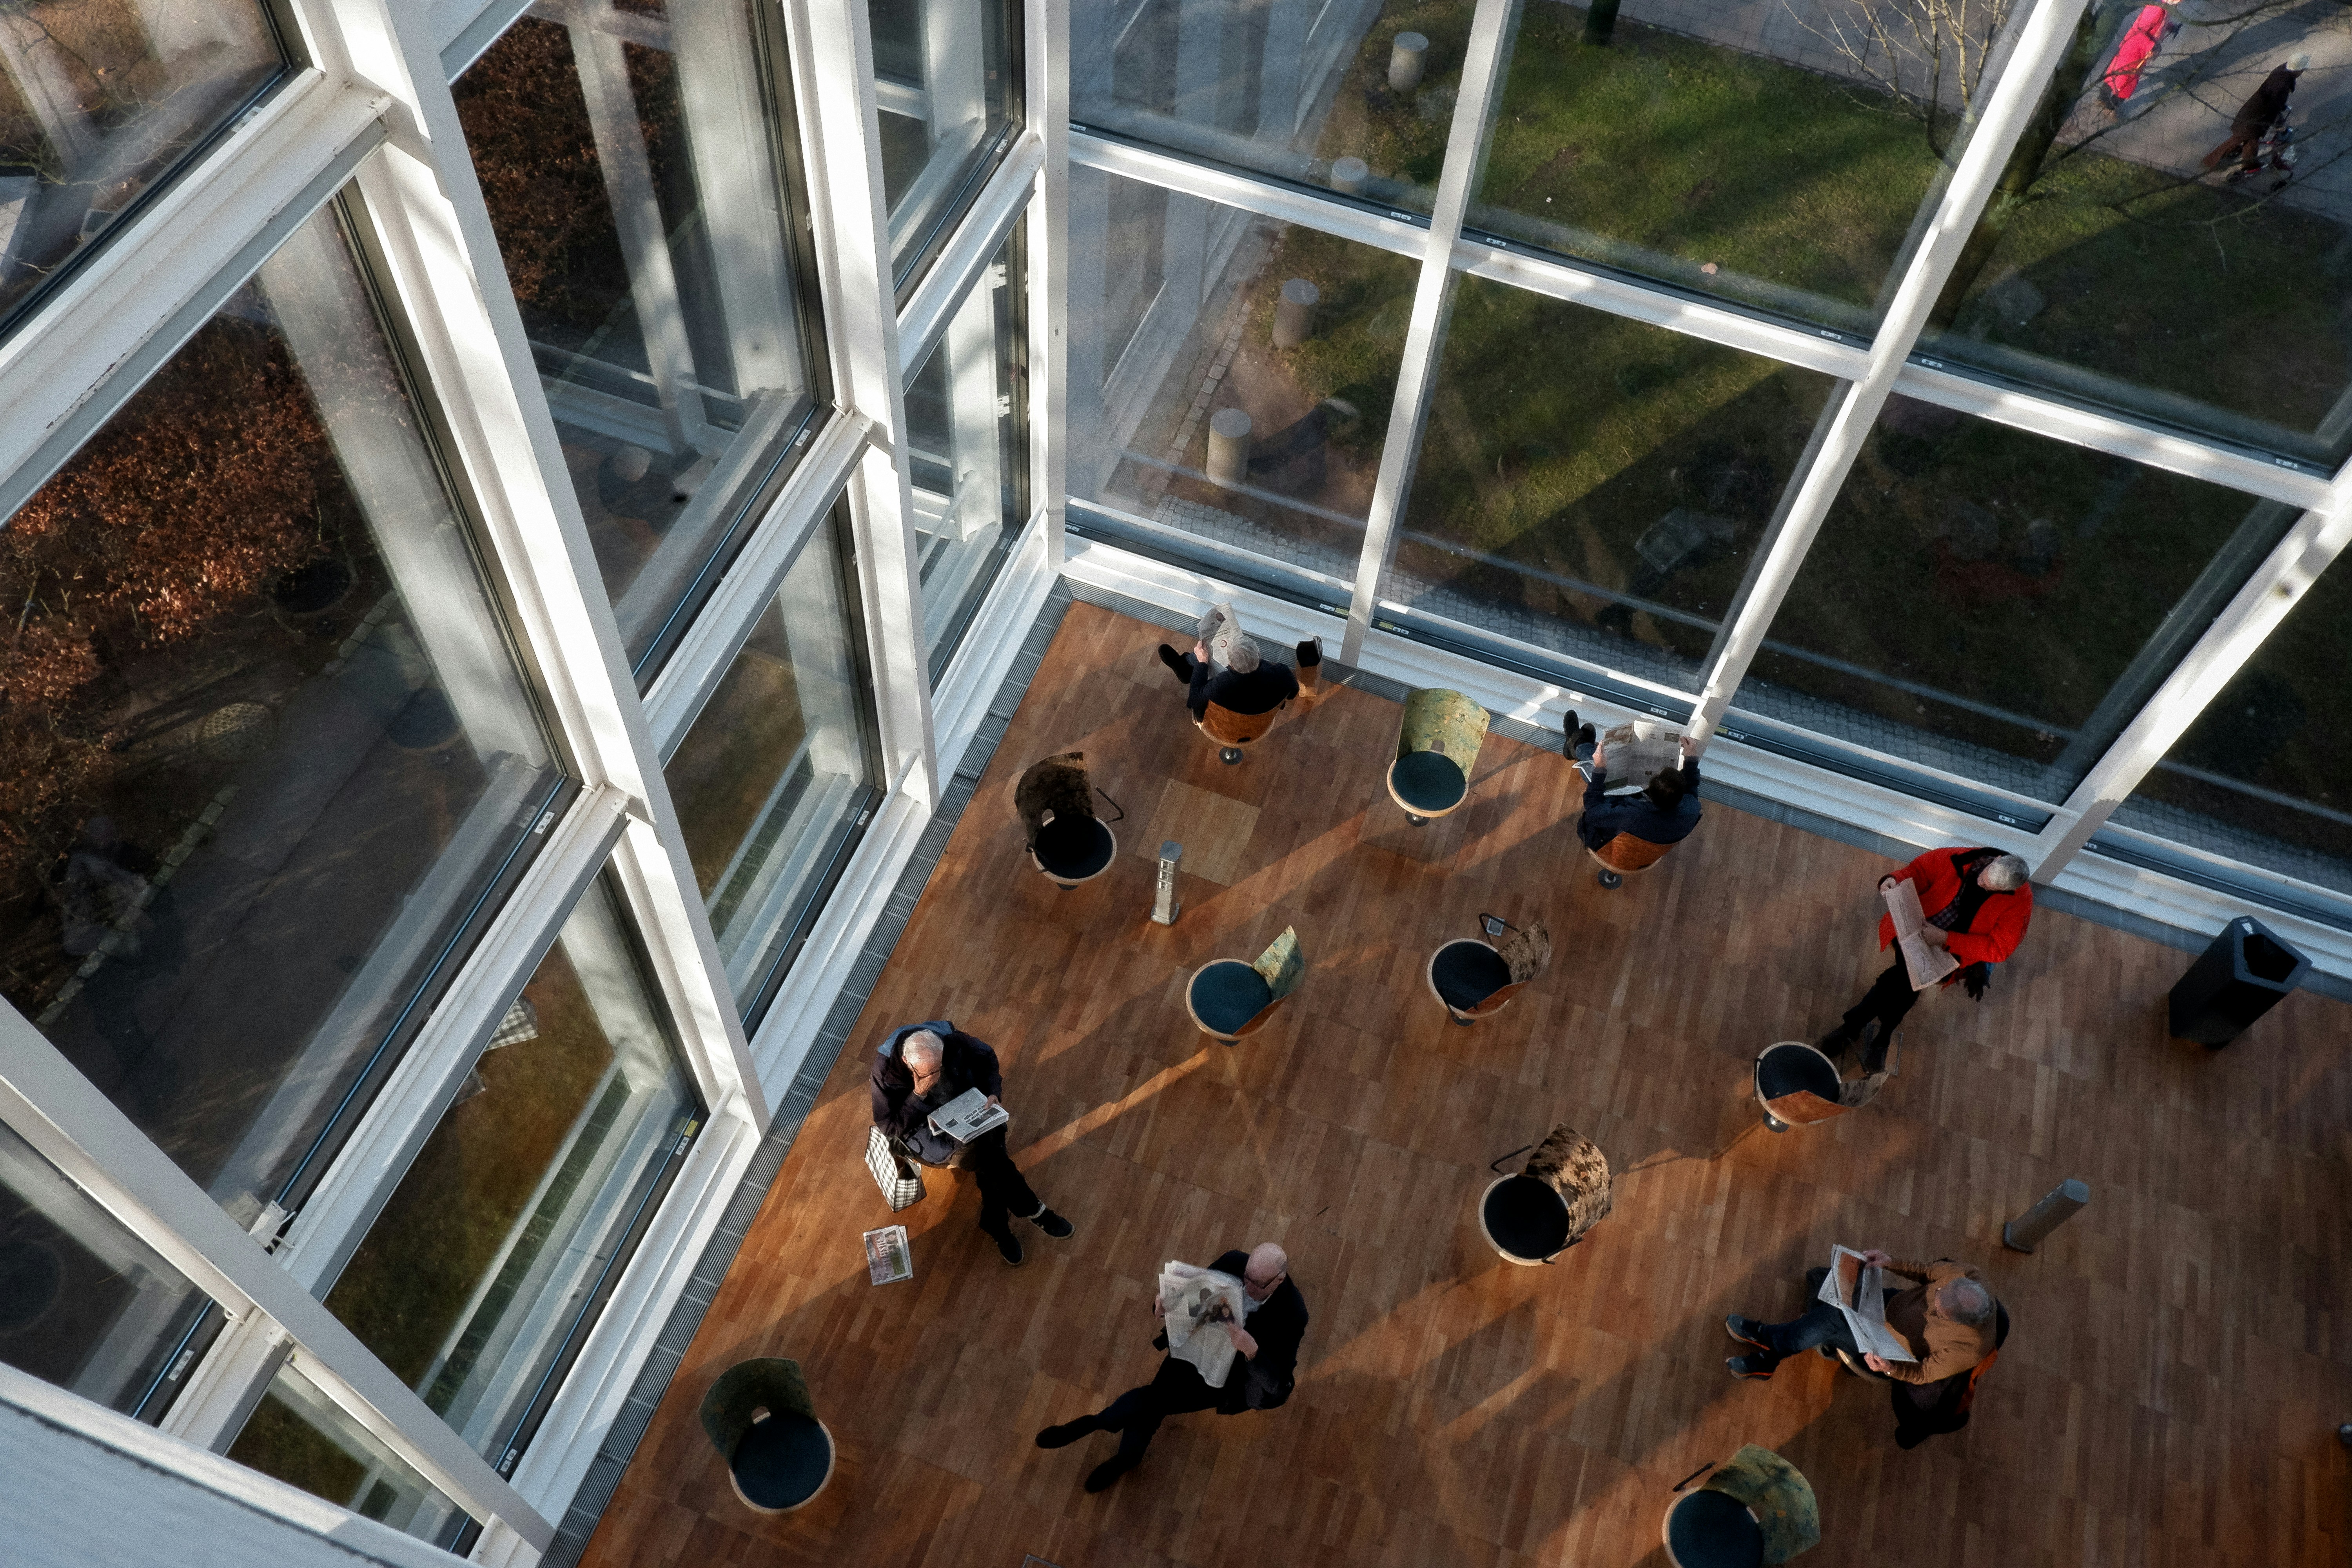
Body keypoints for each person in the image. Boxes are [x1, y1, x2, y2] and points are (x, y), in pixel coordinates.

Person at [1034, 1242, 1307, 1492]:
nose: (1247, 1287)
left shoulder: (1293, 1313)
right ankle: (1121, 1454)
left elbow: (1278, 1383)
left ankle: (1096, 1425)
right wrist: (1167, 1304)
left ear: (1279, 1280)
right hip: (1190, 1351)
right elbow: (1195, 1296)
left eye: (1258, 1284)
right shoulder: (1234, 1261)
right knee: (1155, 1404)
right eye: (1246, 1277)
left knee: (1154, 1401)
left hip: (1222, 1378)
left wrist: (1252, 1351)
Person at [869, 1022, 1072, 1267]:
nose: (937, 1078)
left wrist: (993, 1092)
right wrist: (918, 1096)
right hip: (927, 1133)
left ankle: (999, 1228)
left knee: (989, 1162)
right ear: (906, 1062)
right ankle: (1033, 1212)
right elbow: (891, 1127)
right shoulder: (884, 1074)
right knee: (990, 1156)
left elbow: (988, 1059)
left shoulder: (948, 1036)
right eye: (930, 1074)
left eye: (940, 1069)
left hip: (969, 1109)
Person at [1817, 848, 2033, 1071]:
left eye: (1989, 887)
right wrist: (1894, 879)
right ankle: (1882, 1035)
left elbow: (1998, 949)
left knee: (1901, 981)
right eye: (1984, 876)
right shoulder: (1962, 858)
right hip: (1916, 930)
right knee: (1908, 983)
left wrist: (1946, 938)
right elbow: (1920, 871)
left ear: (2011, 890)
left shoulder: (2020, 903)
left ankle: (1852, 1027)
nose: (1980, 884)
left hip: (1951, 951)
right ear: (1996, 860)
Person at [1725, 1249, 1999, 1388]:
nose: (1934, 1294)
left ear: (1954, 1320)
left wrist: (1890, 1368)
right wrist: (1890, 1262)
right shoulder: (1968, 1277)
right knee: (1819, 1278)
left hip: (1886, 1345)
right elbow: (1927, 1272)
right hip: (1887, 1303)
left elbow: (1925, 1374)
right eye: (1941, 1290)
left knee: (1831, 1317)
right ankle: (1808, 1337)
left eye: (1938, 1310)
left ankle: (1768, 1344)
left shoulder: (1970, 1349)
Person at [1566, 713, 1702, 885]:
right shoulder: (1692, 809)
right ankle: (1579, 745)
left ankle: (1577, 744)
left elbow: (1593, 810)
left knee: (1596, 774)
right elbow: (1692, 789)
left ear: (1649, 793)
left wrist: (1600, 769)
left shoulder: (1629, 815)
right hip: (1647, 852)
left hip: (1604, 843)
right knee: (1603, 768)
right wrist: (1691, 758)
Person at [1157, 633, 1298, 724]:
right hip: (1261, 722)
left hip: (1226, 725)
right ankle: (1186, 666)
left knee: (1206, 663)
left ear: (1230, 663)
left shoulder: (1221, 685)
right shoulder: (1282, 673)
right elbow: (1293, 691)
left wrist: (1202, 664)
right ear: (1259, 654)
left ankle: (1188, 666)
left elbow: (1194, 699)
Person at [2204, 53, 2308, 176]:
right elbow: (2274, 106)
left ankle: (2249, 165)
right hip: (2256, 117)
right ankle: (2210, 162)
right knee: (2238, 139)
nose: (2303, 72)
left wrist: (2281, 106)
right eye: (2303, 69)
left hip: (2253, 112)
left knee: (2250, 142)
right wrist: (2280, 124)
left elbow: (2272, 96)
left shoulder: (2283, 70)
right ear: (2298, 70)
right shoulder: (2283, 85)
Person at [2099, 2, 2178, 111]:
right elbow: (2140, 31)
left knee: (2124, 78)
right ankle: (2108, 106)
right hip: (2134, 48)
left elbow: (2160, 24)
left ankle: (2106, 102)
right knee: (2124, 78)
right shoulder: (2156, 9)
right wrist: (2151, 46)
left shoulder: (2164, 7)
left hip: (2141, 49)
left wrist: (2171, 27)